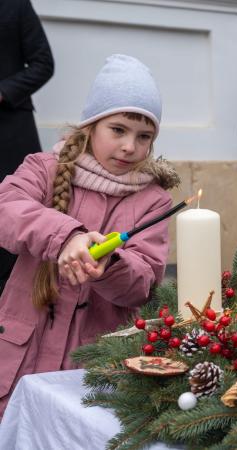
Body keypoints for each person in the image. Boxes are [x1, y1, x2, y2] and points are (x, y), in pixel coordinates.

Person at [0, 54, 177, 416]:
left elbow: (143, 281)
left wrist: (109, 264)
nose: (130, 146)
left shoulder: (154, 200)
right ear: (91, 125)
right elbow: (7, 206)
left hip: (88, 373)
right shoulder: (45, 169)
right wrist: (66, 236)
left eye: (144, 136)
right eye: (118, 130)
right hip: (16, 363)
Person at [0, 0, 54, 296]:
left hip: (10, 131)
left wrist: (3, 91)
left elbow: (44, 63)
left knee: (18, 209)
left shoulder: (15, 4)